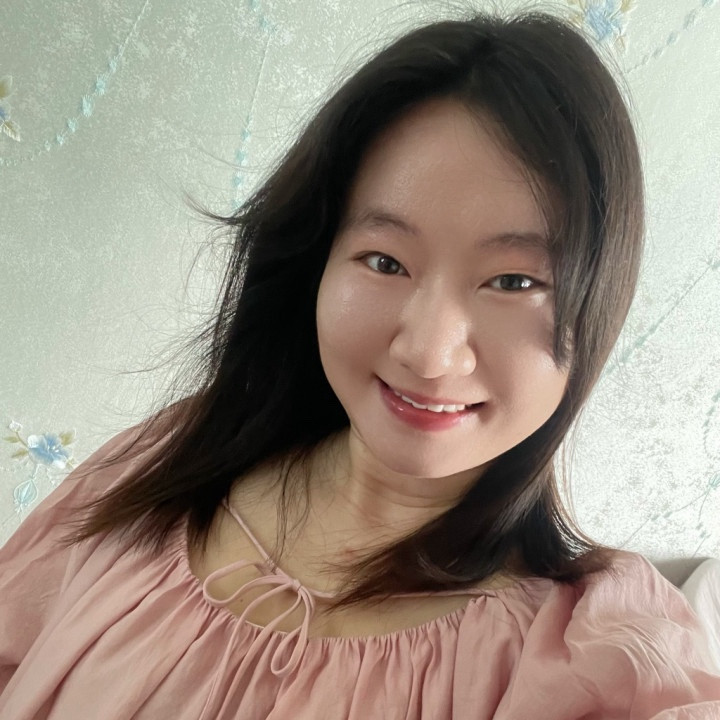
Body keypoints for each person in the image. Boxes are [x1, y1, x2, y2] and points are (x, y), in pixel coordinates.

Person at [1, 10, 719, 720]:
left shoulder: (599, 653)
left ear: (598, 305)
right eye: (384, 261)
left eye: (513, 281)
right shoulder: (164, 461)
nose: (428, 353)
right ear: (316, 262)